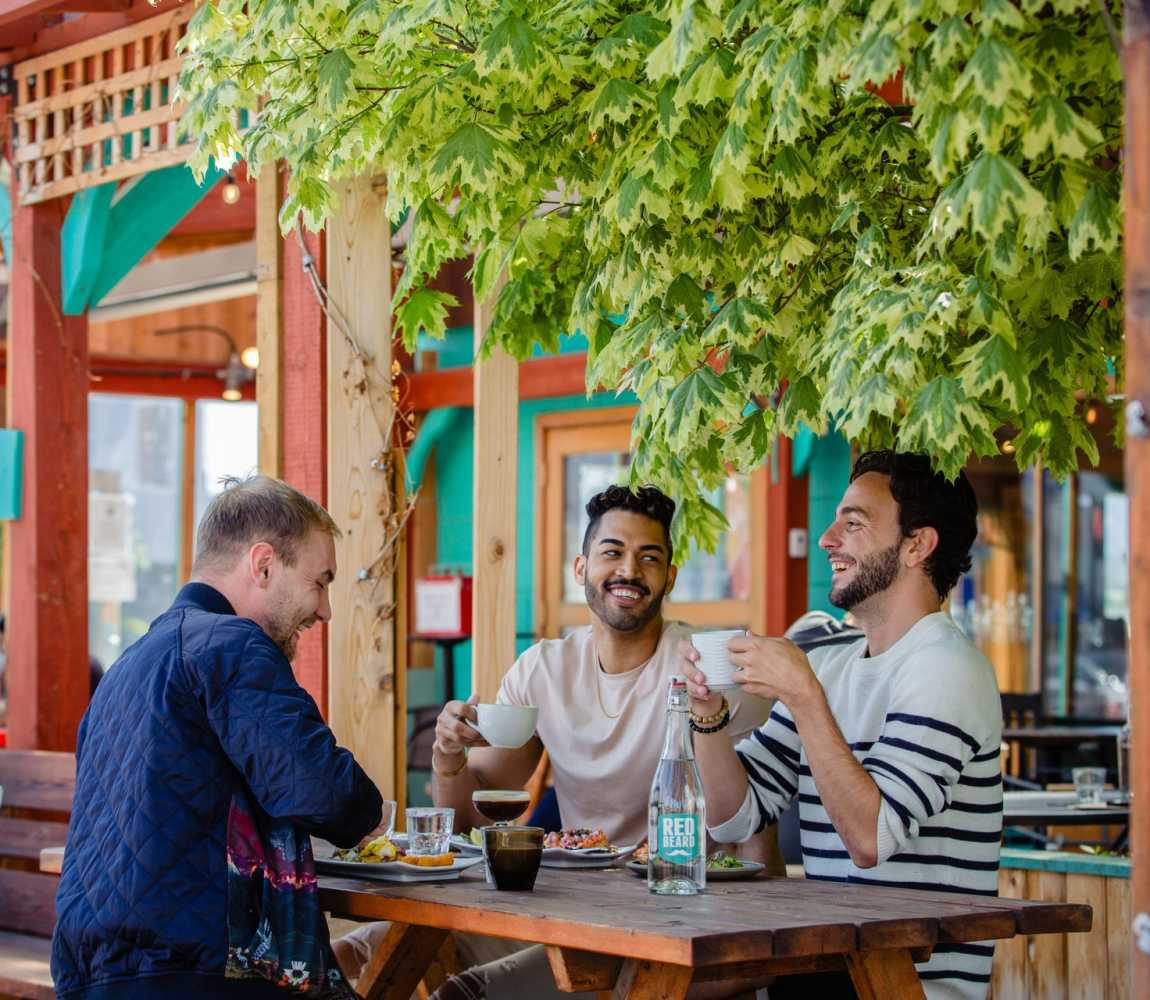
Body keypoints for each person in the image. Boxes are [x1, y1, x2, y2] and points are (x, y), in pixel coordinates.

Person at [335, 484, 779, 998]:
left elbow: (754, 830)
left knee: (465, 993)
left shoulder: (706, 669)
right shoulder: (545, 669)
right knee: (361, 948)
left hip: (676, 919)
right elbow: (475, 811)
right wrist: (448, 756)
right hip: (573, 907)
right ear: (580, 568)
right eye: (612, 552)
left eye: (649, 557)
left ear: (670, 577)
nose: (629, 571)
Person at [684, 450, 1001, 999]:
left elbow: (870, 839)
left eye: (853, 523)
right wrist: (707, 715)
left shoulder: (948, 668)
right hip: (827, 974)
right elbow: (732, 820)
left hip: (907, 986)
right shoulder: (830, 665)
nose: (828, 538)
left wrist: (804, 696)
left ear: (916, 546)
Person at [52, 476, 383, 999]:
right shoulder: (230, 645)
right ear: (264, 564)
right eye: (320, 582)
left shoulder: (129, 665)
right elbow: (329, 794)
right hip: (193, 970)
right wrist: (375, 811)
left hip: (97, 972)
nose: (325, 610)